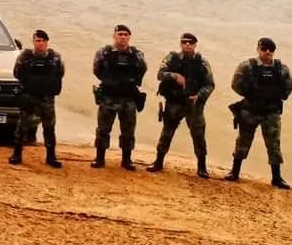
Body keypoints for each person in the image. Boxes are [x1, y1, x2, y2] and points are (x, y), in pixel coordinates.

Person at [225, 37, 292, 189]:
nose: (267, 51)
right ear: (258, 49)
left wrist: (275, 97)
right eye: (264, 48)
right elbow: (235, 84)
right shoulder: (247, 66)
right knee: (243, 141)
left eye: (271, 49)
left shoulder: (282, 68)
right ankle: (234, 172)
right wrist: (251, 95)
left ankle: (276, 177)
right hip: (250, 110)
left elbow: (288, 87)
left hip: (271, 112)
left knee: (274, 144)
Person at [148, 32, 214, 178]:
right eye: (184, 42)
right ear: (181, 44)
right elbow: (160, 74)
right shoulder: (172, 58)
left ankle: (202, 167)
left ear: (195, 45)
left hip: (193, 104)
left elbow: (209, 85)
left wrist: (199, 96)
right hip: (174, 102)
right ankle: (158, 161)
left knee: (198, 136)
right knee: (166, 133)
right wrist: (174, 76)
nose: (187, 45)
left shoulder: (202, 62)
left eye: (191, 42)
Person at [91, 24, 147, 170]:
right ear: (114, 36)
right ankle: (99, 158)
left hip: (128, 98)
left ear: (129, 37)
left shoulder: (137, 54)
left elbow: (142, 70)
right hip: (108, 97)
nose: (122, 37)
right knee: (103, 129)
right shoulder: (104, 52)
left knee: (128, 131)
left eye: (125, 34)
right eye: (120, 34)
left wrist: (127, 83)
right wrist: (111, 82)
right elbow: (96, 70)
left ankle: (126, 160)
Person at [10, 29, 64, 168]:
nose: (40, 44)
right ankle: (17, 154)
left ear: (47, 42)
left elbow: (60, 74)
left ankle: (51, 156)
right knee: (22, 126)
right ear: (33, 42)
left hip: (47, 98)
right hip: (29, 96)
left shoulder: (55, 58)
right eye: (37, 41)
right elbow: (17, 73)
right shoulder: (25, 56)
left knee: (49, 128)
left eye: (43, 41)